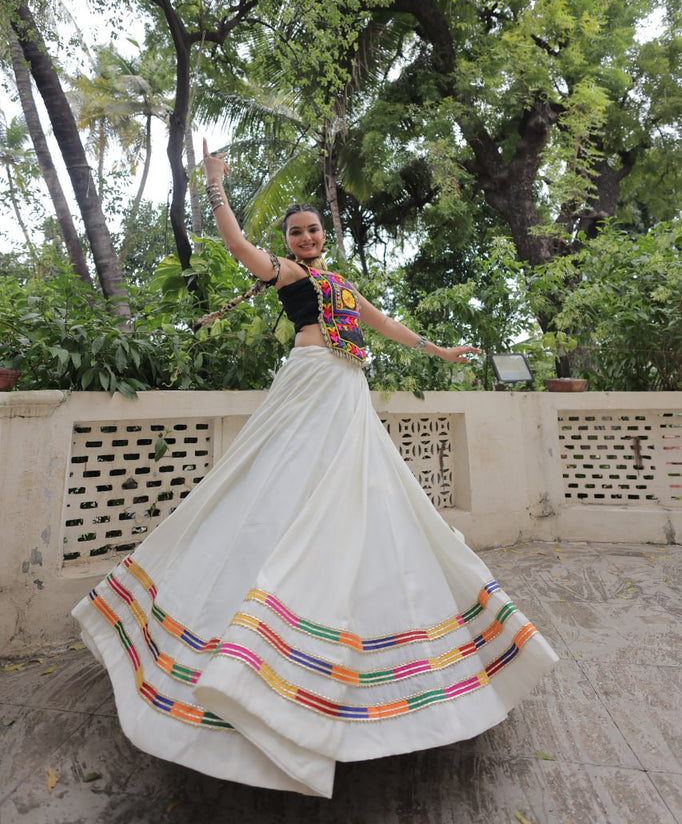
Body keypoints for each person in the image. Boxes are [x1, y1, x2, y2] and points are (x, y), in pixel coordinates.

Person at [72, 141, 558, 799]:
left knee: (355, 495)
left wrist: (438, 347)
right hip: (308, 382)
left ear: (323, 234)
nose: (304, 236)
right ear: (288, 240)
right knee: (279, 486)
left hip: (346, 389)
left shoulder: (340, 284)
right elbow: (238, 246)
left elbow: (381, 324)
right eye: (295, 230)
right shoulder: (289, 277)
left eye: (311, 229)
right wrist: (216, 184)